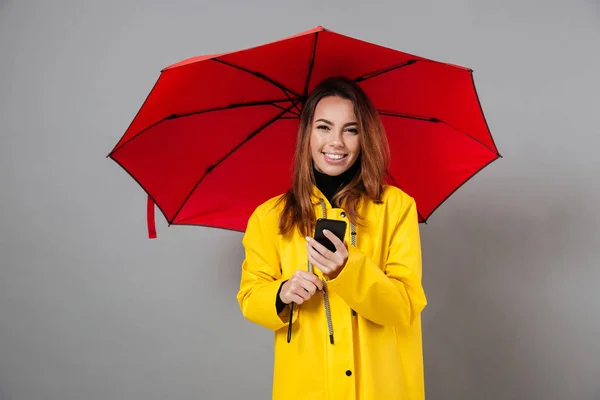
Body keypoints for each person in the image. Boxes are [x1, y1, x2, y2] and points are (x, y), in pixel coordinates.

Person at [236, 76, 427, 400]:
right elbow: (250, 297)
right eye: (324, 127)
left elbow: (404, 307)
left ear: (364, 137)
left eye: (350, 130)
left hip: (380, 387)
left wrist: (348, 269)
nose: (336, 141)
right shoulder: (271, 217)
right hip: (306, 386)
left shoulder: (395, 207)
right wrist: (282, 293)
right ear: (307, 134)